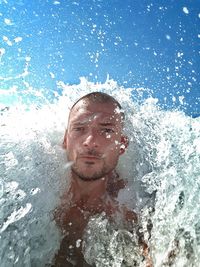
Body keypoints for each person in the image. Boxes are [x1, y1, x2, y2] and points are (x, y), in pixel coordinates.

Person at [52, 92, 151, 266]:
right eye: (79, 128)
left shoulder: (130, 210)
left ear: (122, 145)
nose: (90, 141)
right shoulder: (37, 197)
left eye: (106, 130)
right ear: (65, 140)